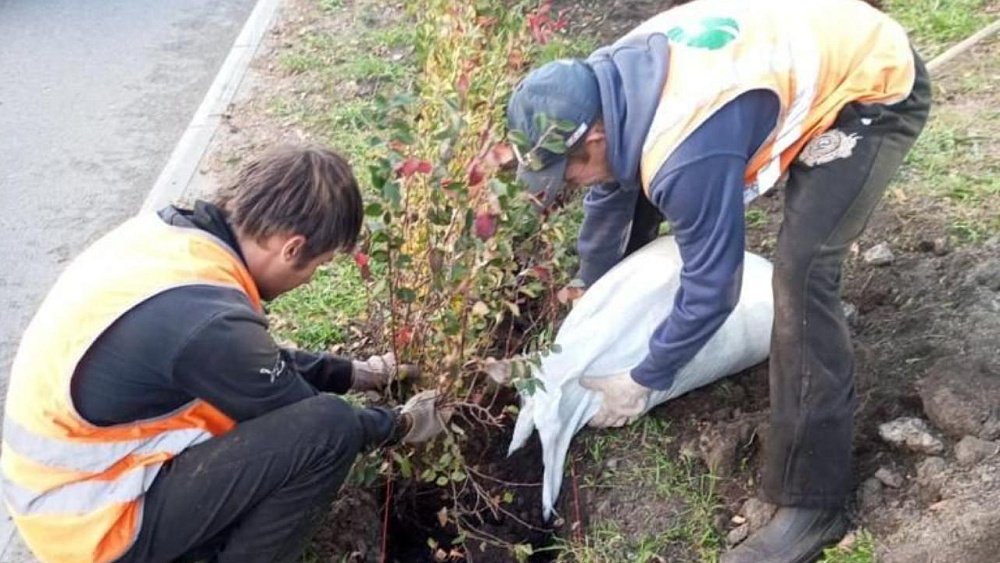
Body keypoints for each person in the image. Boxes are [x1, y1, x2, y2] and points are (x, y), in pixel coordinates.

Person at [505, 0, 930, 560]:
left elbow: (714, 288)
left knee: (802, 276)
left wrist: (644, 378)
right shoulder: (607, 84)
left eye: (569, 170)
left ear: (598, 137)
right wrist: (595, 297)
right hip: (790, 64)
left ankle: (811, 506)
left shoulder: (685, 147)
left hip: (869, 88)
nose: (569, 185)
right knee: (632, 196)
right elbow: (610, 197)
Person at [1, 145, 449, 563]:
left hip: (65, 490)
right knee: (331, 428)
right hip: (94, 526)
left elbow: (255, 364)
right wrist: (402, 424)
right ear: (292, 247)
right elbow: (307, 415)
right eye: (317, 265)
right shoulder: (209, 325)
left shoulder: (177, 238)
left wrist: (356, 374)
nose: (311, 278)